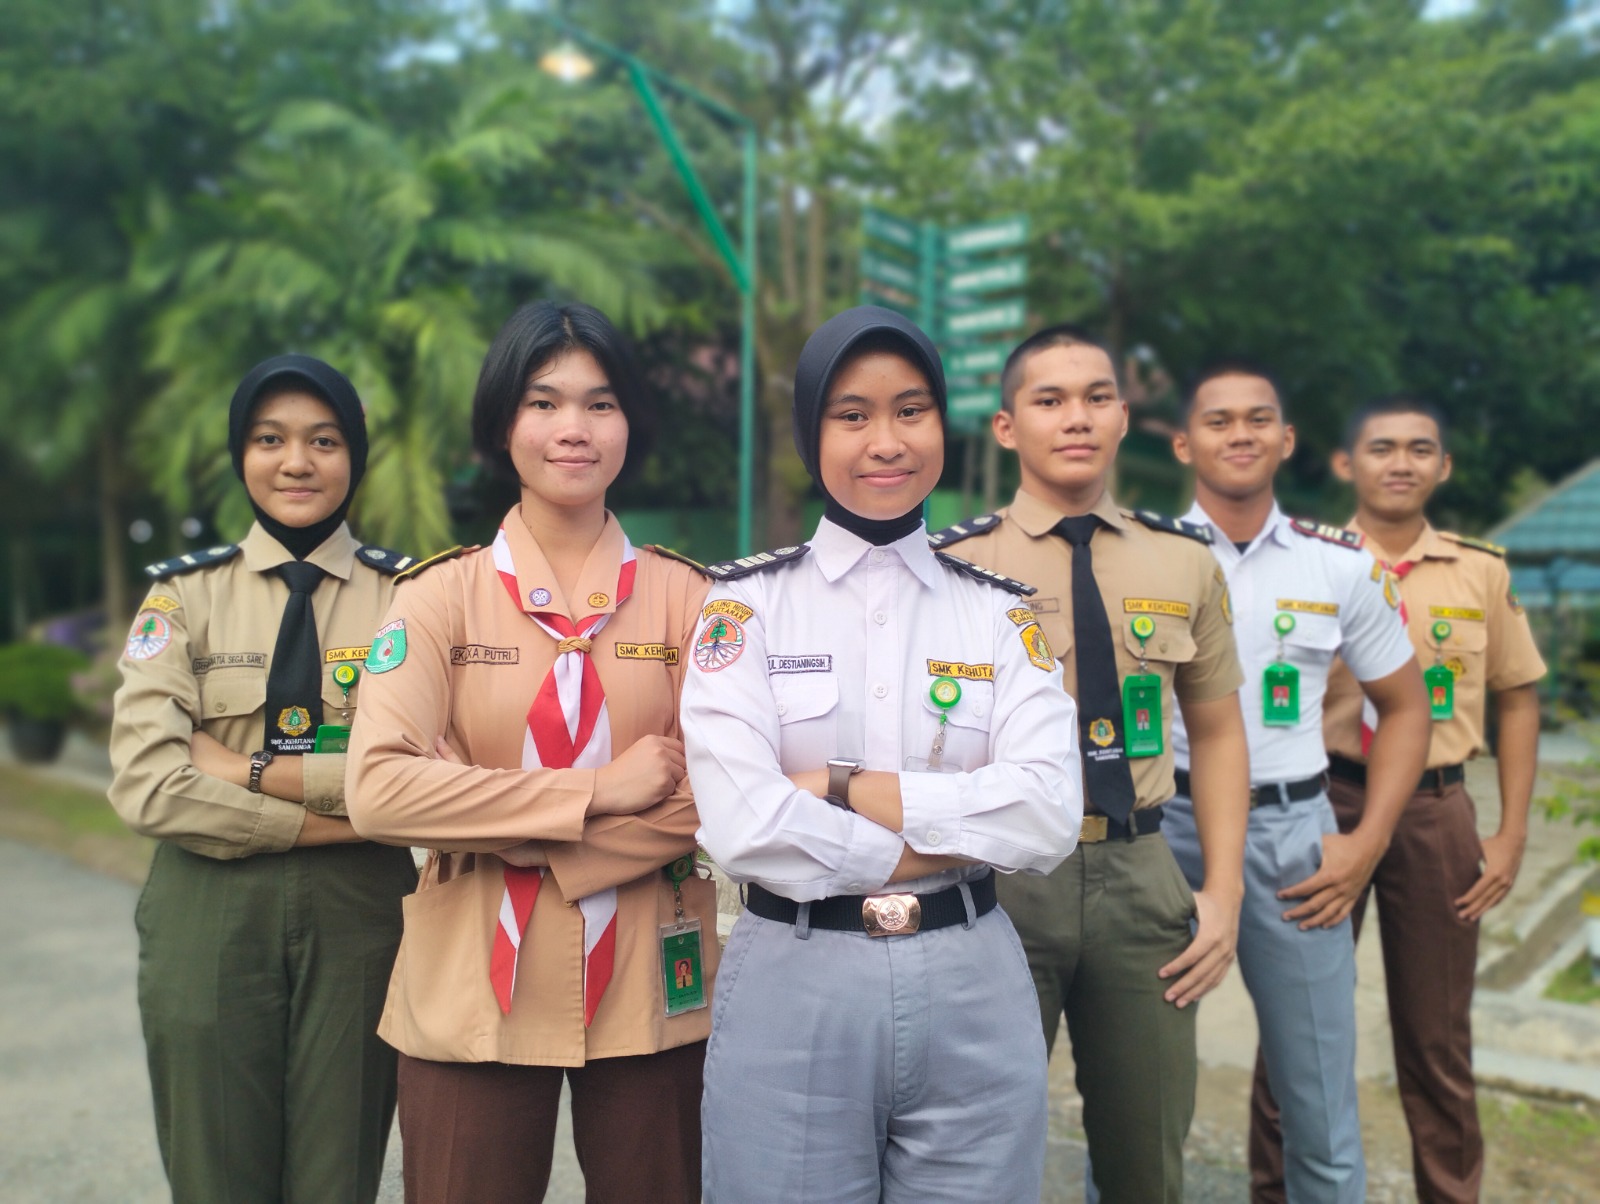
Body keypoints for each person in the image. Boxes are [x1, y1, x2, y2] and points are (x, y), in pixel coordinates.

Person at [681, 305, 1082, 1203]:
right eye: (851, 415)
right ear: (809, 432)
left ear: (944, 424)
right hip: (795, 979)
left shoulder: (1000, 613)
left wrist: (839, 786)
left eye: (911, 410)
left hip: (971, 980)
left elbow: (1050, 814)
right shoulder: (744, 610)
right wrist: (952, 828)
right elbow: (745, 830)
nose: (885, 441)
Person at [346, 301, 715, 1204]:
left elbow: (717, 793)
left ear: (632, 422)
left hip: (647, 984)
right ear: (503, 422)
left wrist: (499, 824)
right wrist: (597, 791)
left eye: (601, 403)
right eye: (543, 403)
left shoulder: (693, 600)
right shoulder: (439, 599)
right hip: (473, 989)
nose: (573, 430)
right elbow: (381, 790)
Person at [930, 324, 1250, 1204]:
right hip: (998, 881)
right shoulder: (955, 567)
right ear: (1006, 428)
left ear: (1122, 417)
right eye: (1050, 400)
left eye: (1097, 397)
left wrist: (1221, 892)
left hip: (1141, 876)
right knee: (977, 1153)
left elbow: (1218, 733)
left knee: (1146, 1159)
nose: (1077, 418)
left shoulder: (1182, 562)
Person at [108, 355, 419, 1203]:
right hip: (207, 908)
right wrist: (343, 812)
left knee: (337, 1174)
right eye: (269, 439)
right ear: (241, 455)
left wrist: (242, 767)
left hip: (360, 913)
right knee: (215, 1176)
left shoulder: (411, 599)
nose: (296, 462)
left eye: (324, 440)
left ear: (353, 455)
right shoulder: (181, 600)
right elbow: (148, 785)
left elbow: (427, 773)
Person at [1250, 395, 1546, 1204]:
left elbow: (1519, 696)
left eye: (1421, 449)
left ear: (1443, 467)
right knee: (1294, 1033)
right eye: (1382, 447)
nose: (1402, 463)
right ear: (1347, 464)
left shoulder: (1481, 571)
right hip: (1324, 804)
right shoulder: (1302, 562)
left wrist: (1511, 833)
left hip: (1433, 813)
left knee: (1436, 1040)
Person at [1166, 366, 1431, 1202]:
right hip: (1164, 834)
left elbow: (1408, 707)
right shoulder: (1144, 557)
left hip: (1295, 842)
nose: (1239, 433)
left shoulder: (1339, 569)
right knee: (1142, 1107)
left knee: (1318, 1111)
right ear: (1184, 443)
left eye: (1258, 420)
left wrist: (1367, 841)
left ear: (1286, 440)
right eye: (1217, 420)